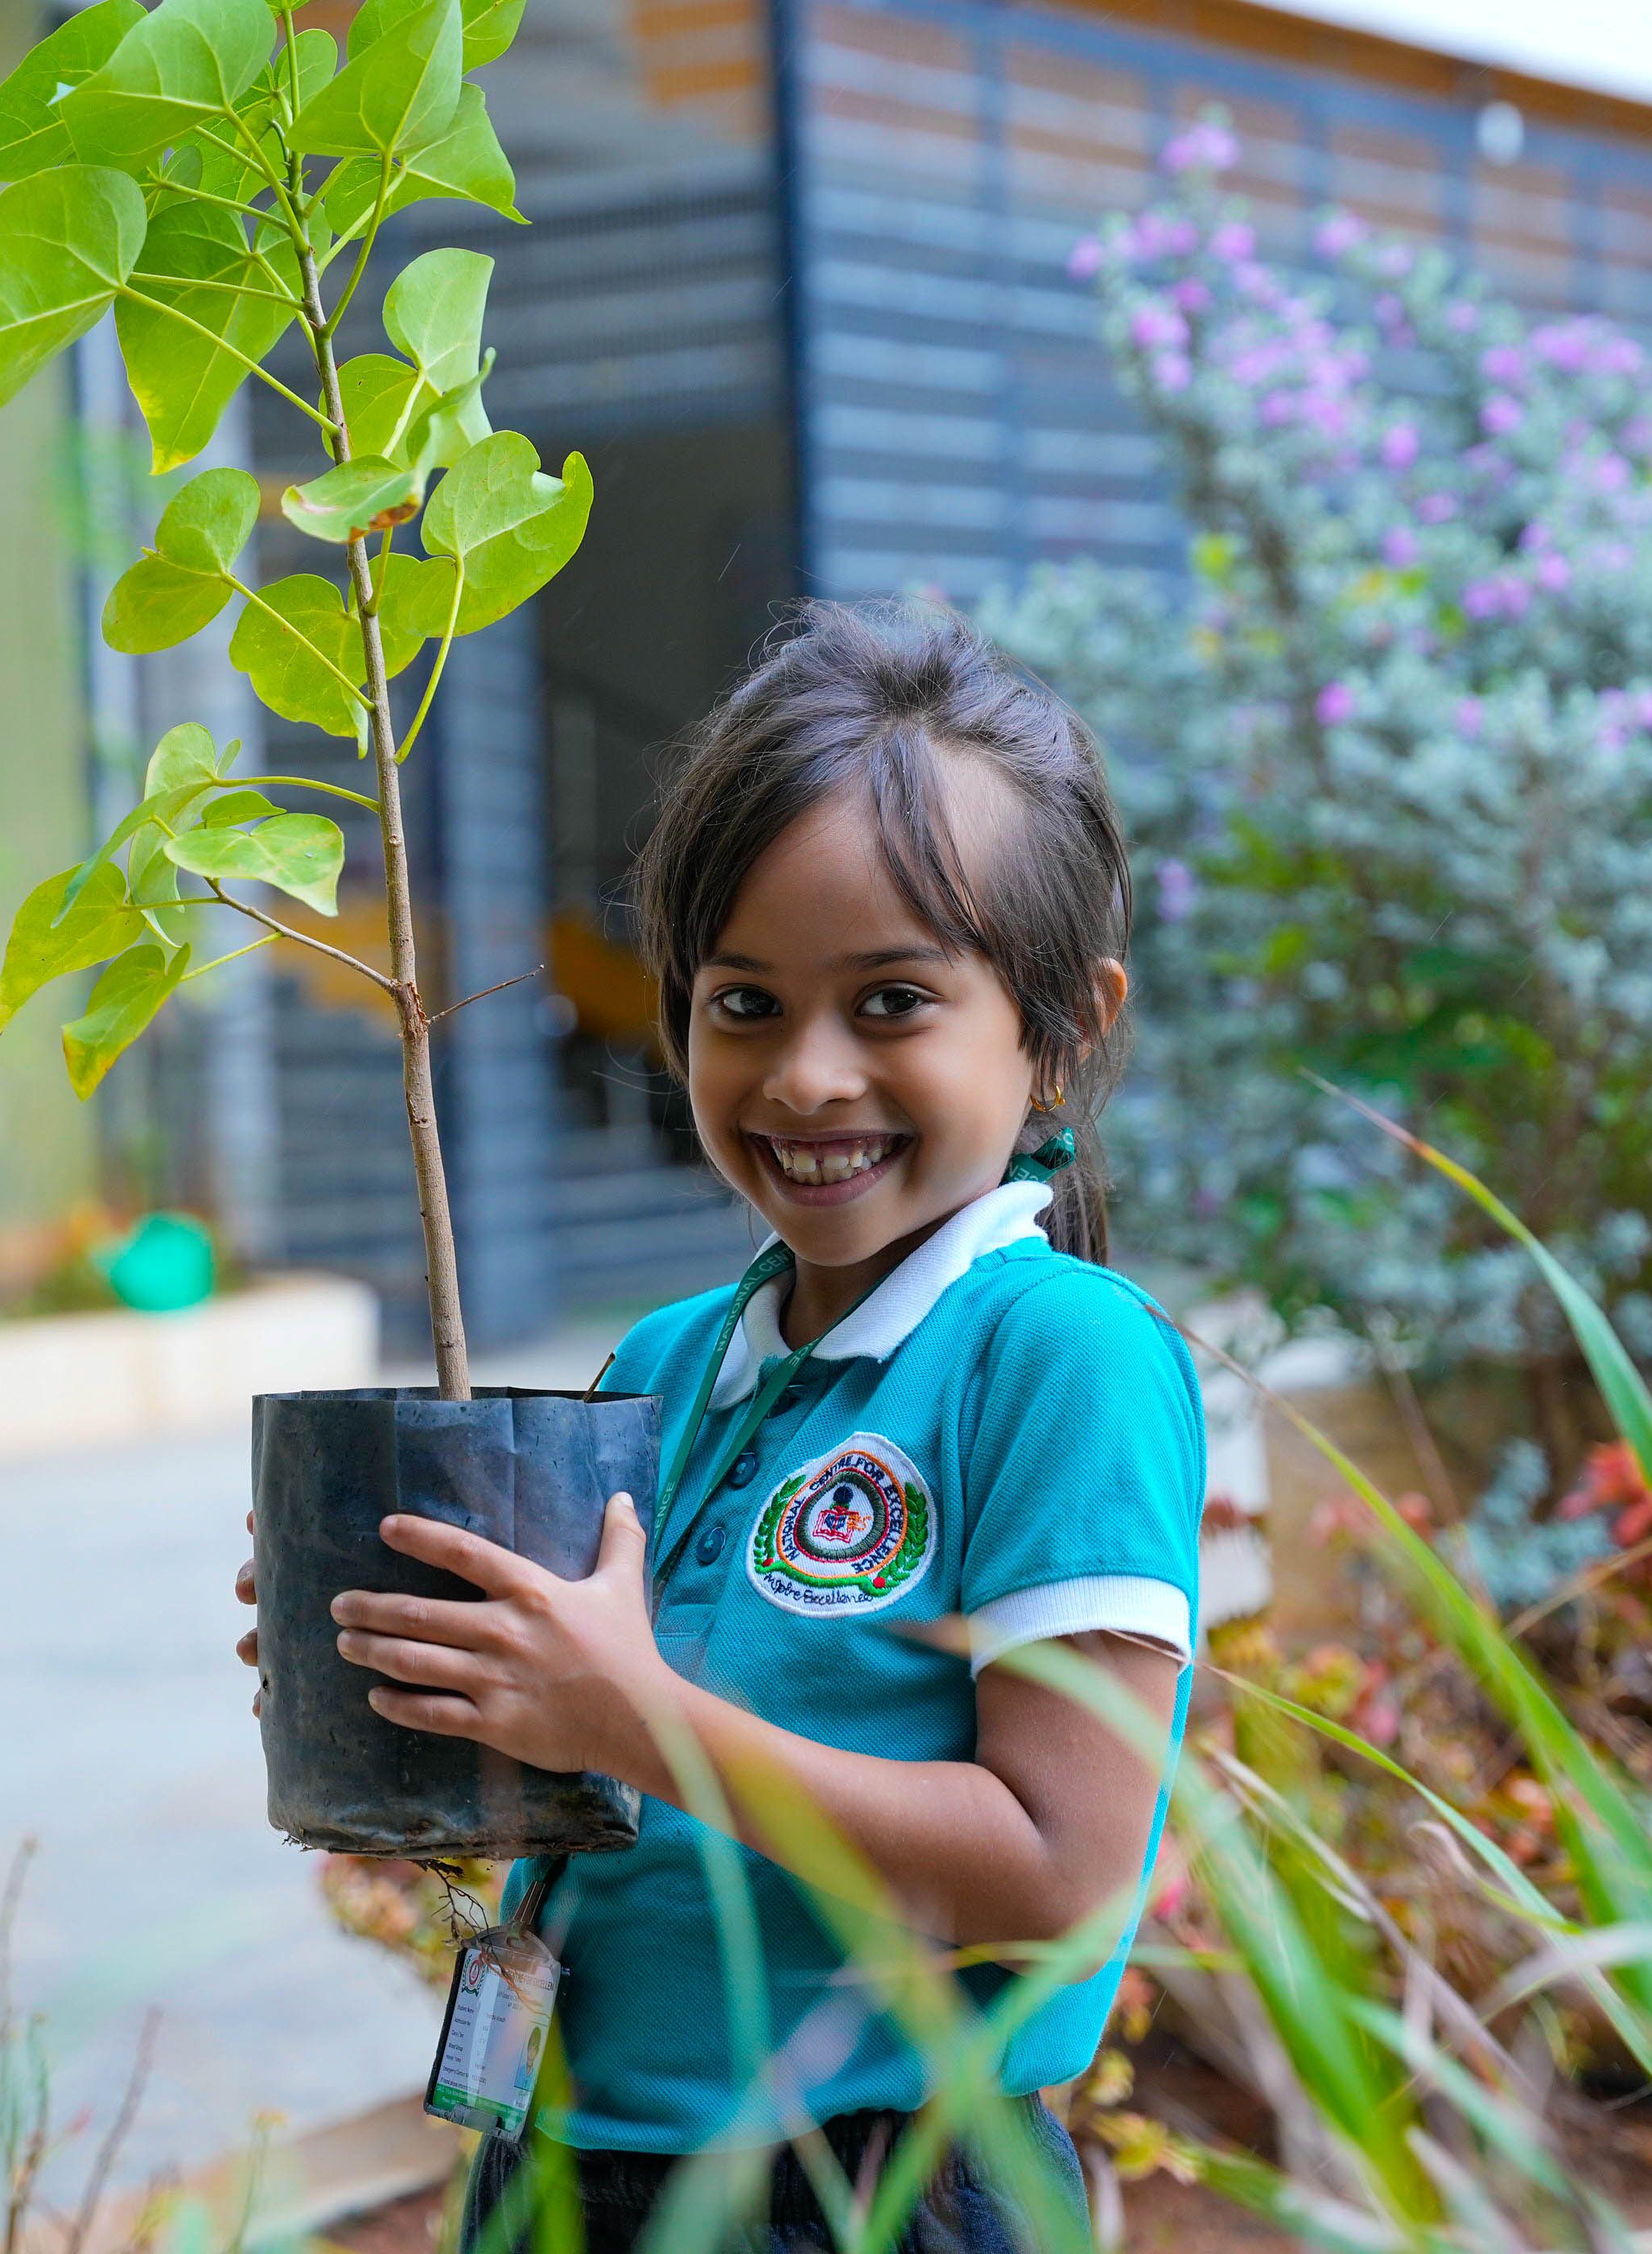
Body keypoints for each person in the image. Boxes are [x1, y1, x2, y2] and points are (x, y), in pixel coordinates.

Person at [239, 604, 1205, 2254]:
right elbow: (598, 1781)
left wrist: (633, 1718)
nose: (805, 1075)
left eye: (894, 1000)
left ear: (1064, 1029)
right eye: (742, 1002)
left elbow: (1058, 1863)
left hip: (862, 2188)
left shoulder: (1058, 1356)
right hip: (567, 2165)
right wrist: (430, 1678)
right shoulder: (673, 1360)